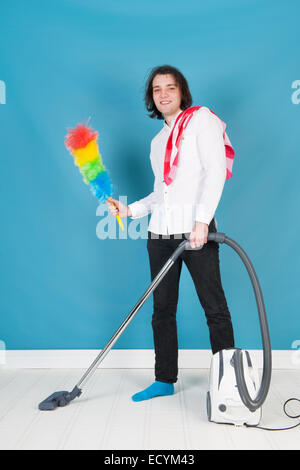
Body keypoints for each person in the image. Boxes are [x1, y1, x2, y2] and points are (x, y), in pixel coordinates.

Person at [106, 65, 235, 402]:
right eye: (157, 89)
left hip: (197, 233)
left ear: (182, 92)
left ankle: (229, 383)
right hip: (160, 235)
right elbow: (160, 192)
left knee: (215, 308)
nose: (163, 94)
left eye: (170, 88)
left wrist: (202, 221)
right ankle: (164, 379)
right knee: (162, 310)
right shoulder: (157, 141)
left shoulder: (201, 120)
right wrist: (130, 210)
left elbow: (216, 171)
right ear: (152, 98)